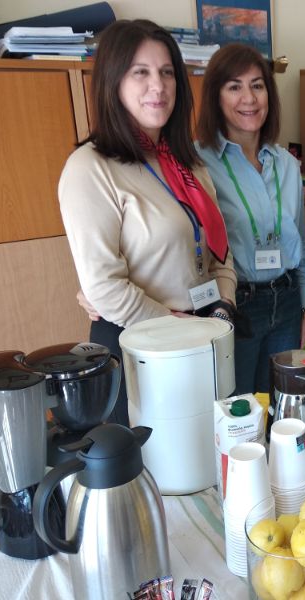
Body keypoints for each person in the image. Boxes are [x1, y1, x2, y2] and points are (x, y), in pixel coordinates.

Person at [59, 20, 237, 425]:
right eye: (140, 72)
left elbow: (219, 251)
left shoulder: (187, 163)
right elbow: (104, 287)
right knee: (155, 459)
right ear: (113, 81)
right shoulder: (90, 168)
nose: (158, 86)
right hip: (140, 345)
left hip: (204, 334)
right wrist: (183, 330)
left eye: (167, 72)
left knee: (212, 450)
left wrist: (223, 307)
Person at [196, 43, 305, 395]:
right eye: (234, 86)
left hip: (287, 301)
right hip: (236, 306)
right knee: (238, 409)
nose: (249, 98)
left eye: (257, 85)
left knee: (283, 405)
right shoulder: (197, 163)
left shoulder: (287, 164)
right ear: (216, 96)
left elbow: (300, 243)